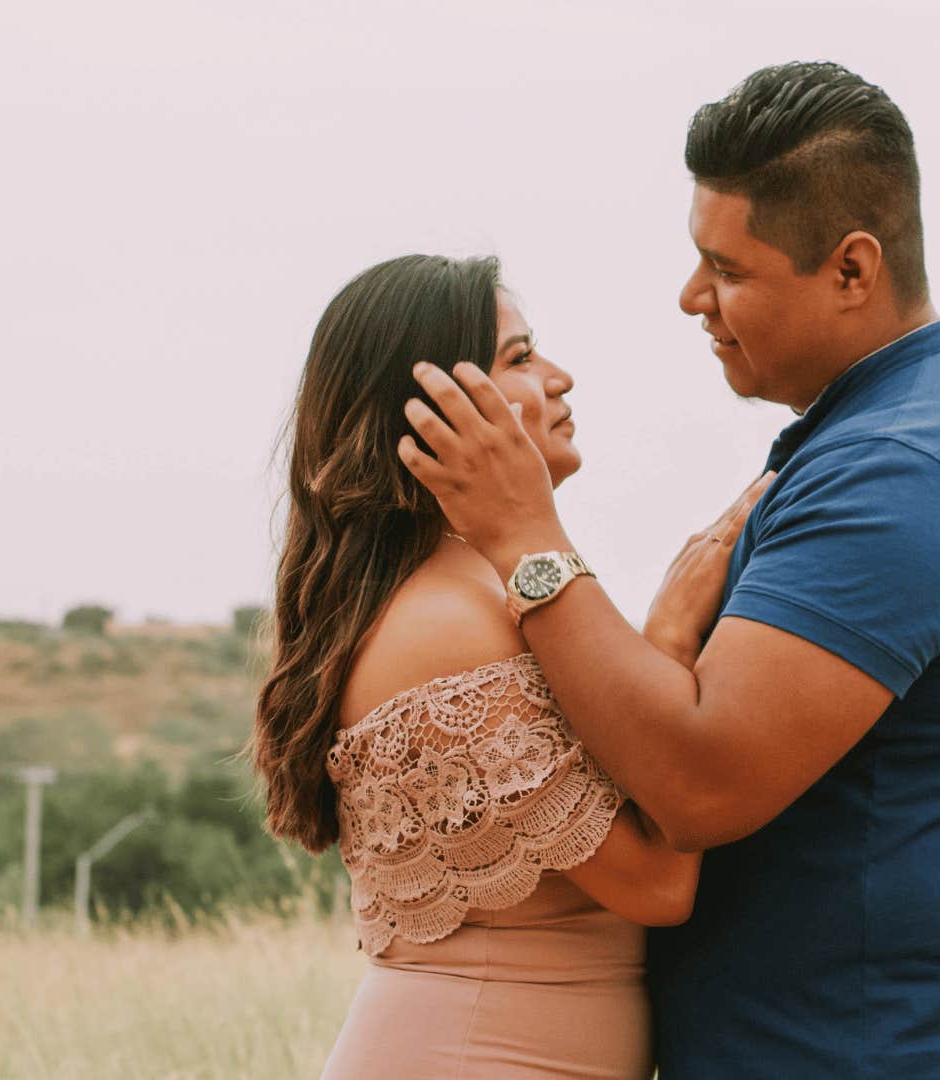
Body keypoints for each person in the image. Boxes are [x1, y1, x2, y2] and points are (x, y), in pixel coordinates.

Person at [398, 62, 940, 1077]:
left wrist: (529, 541)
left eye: (730, 269)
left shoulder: (904, 470)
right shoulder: (867, 436)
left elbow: (700, 790)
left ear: (852, 270)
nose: (691, 298)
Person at [247, 253, 766, 1078]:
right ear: (434, 416)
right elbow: (657, 885)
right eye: (521, 358)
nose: (560, 379)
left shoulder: (479, 592)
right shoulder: (449, 623)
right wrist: (667, 637)